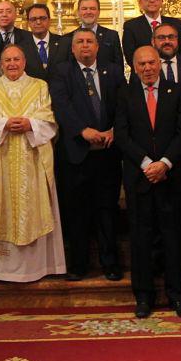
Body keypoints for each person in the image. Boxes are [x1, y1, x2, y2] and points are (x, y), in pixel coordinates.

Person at [0, 45, 67, 282]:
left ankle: (35, 268)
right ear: (1, 64)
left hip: (31, 160)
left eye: (16, 59)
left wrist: (30, 125)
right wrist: (3, 124)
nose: (12, 64)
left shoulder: (39, 86)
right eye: (7, 60)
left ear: (24, 62)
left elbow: (48, 118)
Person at [115, 46, 181, 319]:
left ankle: (177, 296)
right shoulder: (125, 94)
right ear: (134, 67)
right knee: (141, 240)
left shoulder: (178, 91)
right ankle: (144, 297)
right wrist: (147, 163)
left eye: (151, 63)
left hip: (171, 177)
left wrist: (165, 163)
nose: (147, 68)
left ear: (159, 64)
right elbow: (122, 135)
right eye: (142, 64)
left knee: (174, 239)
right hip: (140, 178)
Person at [49, 28, 125, 281]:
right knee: (76, 211)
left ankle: (110, 262)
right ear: (72, 49)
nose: (85, 46)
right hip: (75, 153)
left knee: (107, 209)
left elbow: (123, 104)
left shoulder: (113, 71)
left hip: (107, 153)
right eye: (79, 42)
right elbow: (61, 105)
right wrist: (83, 130)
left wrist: (115, 130)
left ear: (97, 46)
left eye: (89, 42)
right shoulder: (61, 72)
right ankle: (79, 264)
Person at [121, 0, 181, 64]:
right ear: (140, 3)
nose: (152, 1)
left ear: (161, 2)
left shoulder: (176, 24)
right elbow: (130, 57)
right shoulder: (131, 26)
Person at [61, 0, 123, 69]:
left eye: (92, 8)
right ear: (78, 12)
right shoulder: (67, 38)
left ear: (99, 12)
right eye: (84, 9)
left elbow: (118, 67)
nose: (88, 12)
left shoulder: (111, 36)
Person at [23, 3, 64, 80]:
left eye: (42, 18)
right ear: (28, 23)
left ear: (49, 20)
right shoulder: (21, 47)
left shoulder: (63, 43)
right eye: (33, 19)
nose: (38, 22)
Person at [151, 22, 181, 91]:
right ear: (153, 42)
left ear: (177, 40)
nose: (167, 41)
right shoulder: (147, 67)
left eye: (171, 37)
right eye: (161, 38)